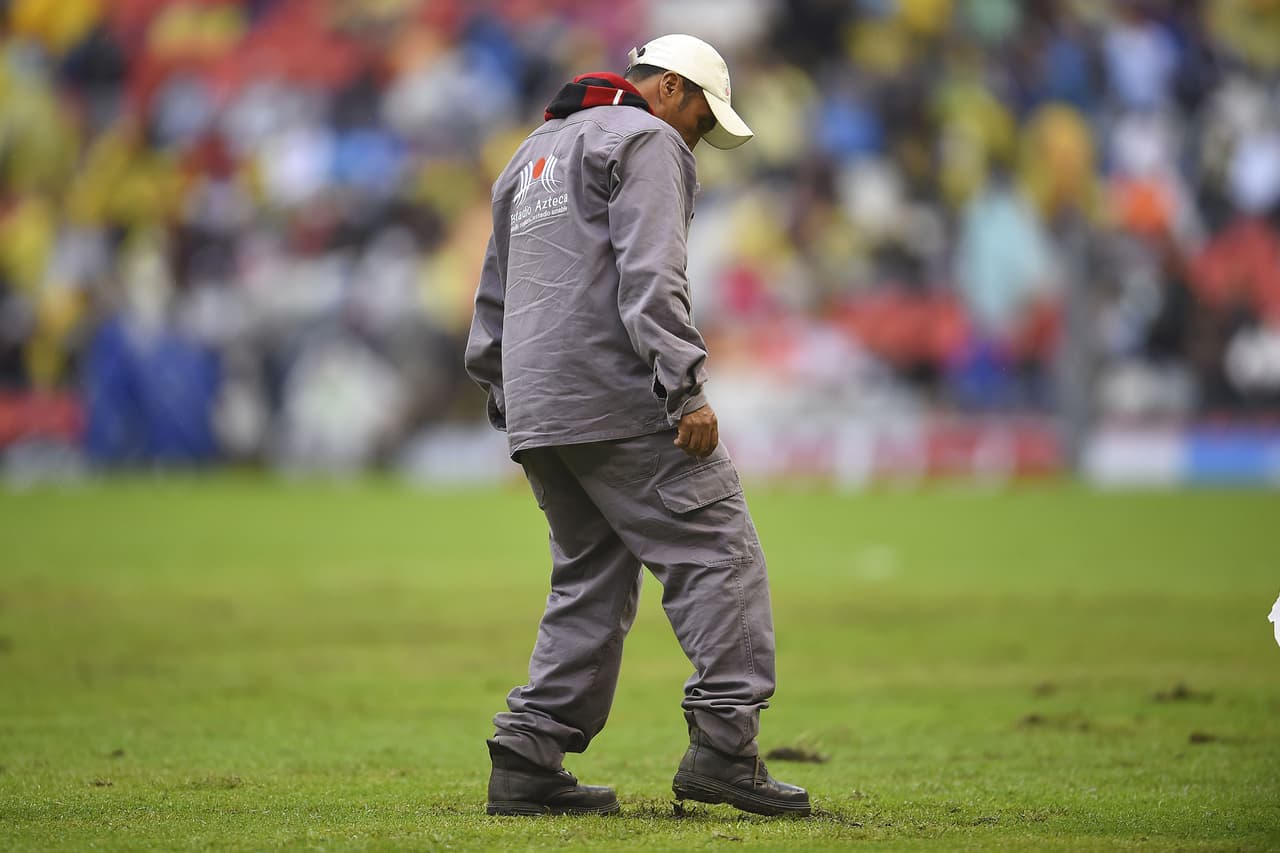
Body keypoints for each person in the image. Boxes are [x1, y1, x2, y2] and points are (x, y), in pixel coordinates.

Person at [464, 33, 811, 818]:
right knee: (719, 550)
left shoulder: (530, 154)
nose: (697, 138)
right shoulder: (647, 138)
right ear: (672, 91)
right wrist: (685, 388)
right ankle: (726, 745)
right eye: (701, 118)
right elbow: (653, 274)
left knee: (591, 577)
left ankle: (528, 752)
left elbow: (492, 298)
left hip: (540, 406)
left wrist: (504, 390)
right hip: (616, 392)